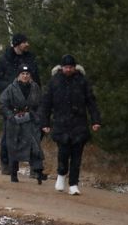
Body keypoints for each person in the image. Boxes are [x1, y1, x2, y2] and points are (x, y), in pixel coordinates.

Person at [40, 54, 102, 196]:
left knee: (77, 156)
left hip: (79, 124)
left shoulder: (82, 81)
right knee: (63, 153)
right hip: (61, 123)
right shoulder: (54, 81)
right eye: (66, 67)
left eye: (71, 67)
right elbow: (46, 104)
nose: (68, 69)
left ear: (75, 67)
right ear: (61, 68)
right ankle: (61, 175)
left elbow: (91, 102)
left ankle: (73, 184)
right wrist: (45, 122)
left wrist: (96, 120)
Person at [0, 33, 41, 175]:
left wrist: (38, 94)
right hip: (11, 103)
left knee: (33, 136)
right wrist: (11, 87)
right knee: (9, 136)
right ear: (17, 44)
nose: (27, 44)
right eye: (24, 42)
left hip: (30, 102)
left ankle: (35, 168)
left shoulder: (30, 58)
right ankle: (8, 165)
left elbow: (37, 78)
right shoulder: (4, 59)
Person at [0, 65, 47, 183]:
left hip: (31, 121)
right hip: (15, 122)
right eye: (23, 74)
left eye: (27, 74)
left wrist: (38, 116)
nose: (25, 76)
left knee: (35, 145)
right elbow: (3, 103)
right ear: (18, 75)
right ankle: (13, 173)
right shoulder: (11, 88)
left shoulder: (35, 87)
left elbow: (41, 104)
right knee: (14, 147)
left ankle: (38, 171)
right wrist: (10, 116)